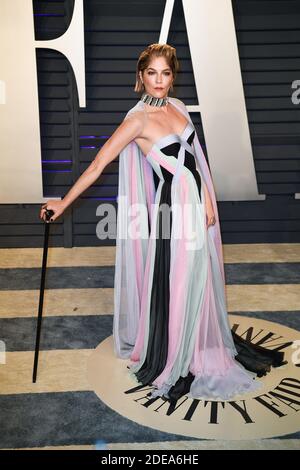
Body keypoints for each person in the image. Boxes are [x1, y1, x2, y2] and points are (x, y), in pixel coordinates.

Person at [40, 43, 285, 406]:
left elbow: (196, 162)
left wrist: (207, 198)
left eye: (165, 73)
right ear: (140, 77)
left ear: (173, 77)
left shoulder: (178, 107)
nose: (159, 81)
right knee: (183, 279)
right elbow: (97, 166)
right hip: (176, 207)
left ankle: (198, 340)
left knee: (199, 278)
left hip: (198, 202)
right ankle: (179, 352)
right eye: (151, 73)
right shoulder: (136, 121)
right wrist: (63, 202)